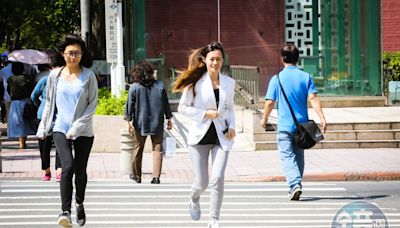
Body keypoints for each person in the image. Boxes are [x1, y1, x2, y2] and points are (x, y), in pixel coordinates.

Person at [36, 34, 98, 227]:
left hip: (83, 130)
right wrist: (43, 127)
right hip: (60, 128)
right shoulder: (54, 76)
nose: (74, 56)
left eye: (77, 53)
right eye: (71, 53)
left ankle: (79, 202)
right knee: (67, 166)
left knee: (80, 171)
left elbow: (92, 105)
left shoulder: (88, 76)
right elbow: (48, 104)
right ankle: (65, 211)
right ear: (63, 54)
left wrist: (77, 127)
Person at [173, 41, 236, 228]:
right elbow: (182, 107)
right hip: (199, 137)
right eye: (212, 59)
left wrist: (232, 126)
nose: (215, 63)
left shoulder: (229, 83)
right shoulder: (195, 83)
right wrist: (204, 114)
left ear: (223, 60)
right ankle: (194, 197)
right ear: (205, 60)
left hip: (221, 136)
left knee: (217, 178)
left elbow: (230, 108)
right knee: (202, 183)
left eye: (218, 59)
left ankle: (214, 219)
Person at [259, 44, 327, 201]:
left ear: (282, 58)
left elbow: (269, 102)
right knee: (299, 157)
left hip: (284, 127)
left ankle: (295, 185)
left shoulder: (276, 79)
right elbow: (313, 98)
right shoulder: (306, 77)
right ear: (298, 59)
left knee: (287, 157)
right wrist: (322, 117)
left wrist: (264, 119)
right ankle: (296, 184)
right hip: (302, 128)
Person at [124, 61, 173, 184]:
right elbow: (166, 104)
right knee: (157, 149)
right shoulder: (160, 85)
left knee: (138, 149)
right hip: (157, 122)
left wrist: (128, 120)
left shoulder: (135, 87)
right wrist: (169, 118)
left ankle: (137, 175)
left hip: (140, 123)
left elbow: (129, 105)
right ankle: (156, 177)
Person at [31, 64, 62, 182]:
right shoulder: (45, 80)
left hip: (60, 117)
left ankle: (59, 170)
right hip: (44, 117)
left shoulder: (65, 82)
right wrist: (41, 107)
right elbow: (34, 96)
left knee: (61, 145)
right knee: (44, 146)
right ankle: (46, 170)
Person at [6, 61, 36, 149]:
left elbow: (8, 90)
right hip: (25, 101)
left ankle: (21, 142)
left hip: (15, 103)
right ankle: (23, 141)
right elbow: (31, 88)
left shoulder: (10, 79)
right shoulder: (26, 78)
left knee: (18, 123)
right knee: (24, 122)